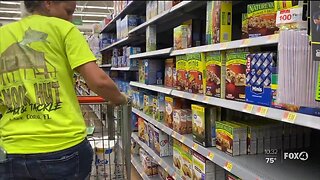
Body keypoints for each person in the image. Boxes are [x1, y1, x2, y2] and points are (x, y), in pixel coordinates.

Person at [0, 1, 127, 179]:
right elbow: (99, 82)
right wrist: (120, 99)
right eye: (68, 11)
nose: (71, 18)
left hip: (12, 149)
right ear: (48, 3)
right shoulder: (64, 29)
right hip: (63, 147)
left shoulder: (2, 35)